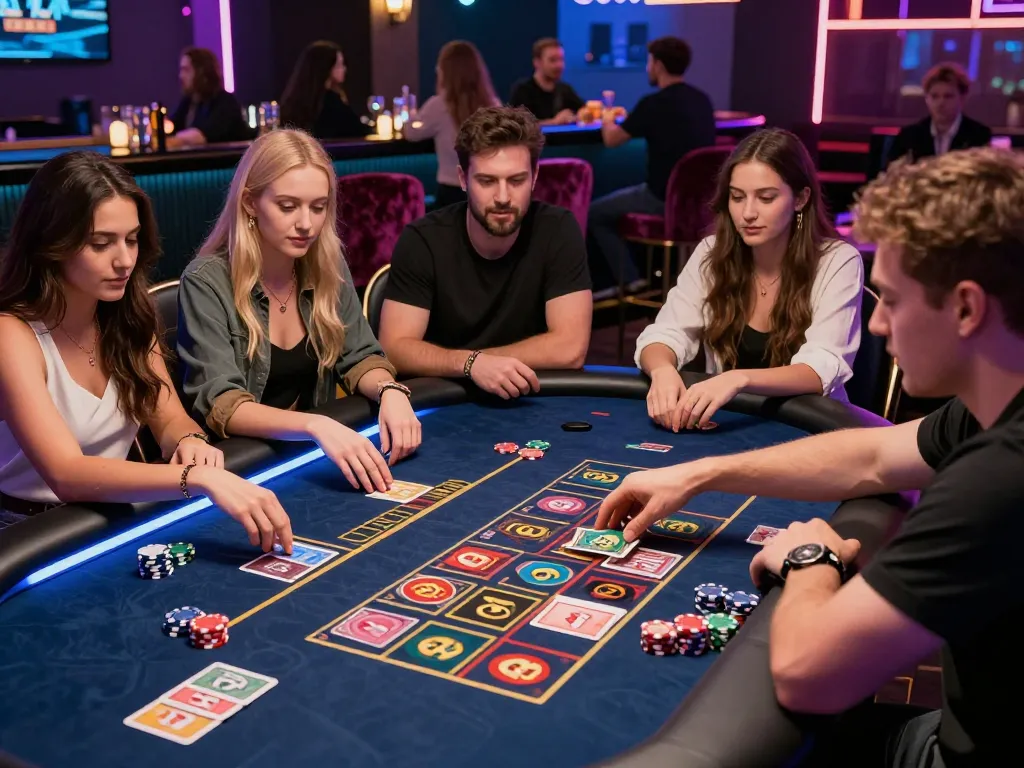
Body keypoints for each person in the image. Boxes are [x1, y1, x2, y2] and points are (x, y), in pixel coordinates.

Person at [596, 146, 1024, 768]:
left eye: (895, 301)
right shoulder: (994, 404)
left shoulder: (997, 479)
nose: (878, 329)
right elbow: (877, 453)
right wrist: (701, 473)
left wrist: (809, 555)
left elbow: (806, 672)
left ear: (965, 307)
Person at [0, 151, 292, 552]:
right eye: (101, 243)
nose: (124, 260)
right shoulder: (11, 334)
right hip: (24, 533)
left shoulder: (128, 319)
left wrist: (188, 441)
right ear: (53, 244)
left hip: (109, 516)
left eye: (132, 240)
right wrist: (199, 478)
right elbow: (65, 473)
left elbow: (169, 418)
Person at [177, 129, 420, 494]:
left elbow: (360, 356)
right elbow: (223, 404)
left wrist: (390, 391)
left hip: (306, 462)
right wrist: (315, 425)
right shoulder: (205, 281)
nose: (306, 223)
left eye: (318, 207)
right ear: (249, 203)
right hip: (236, 475)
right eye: (288, 206)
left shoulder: (325, 262)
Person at [635, 128, 863, 431]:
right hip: (732, 422)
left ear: (800, 198)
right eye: (737, 197)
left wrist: (738, 378)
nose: (748, 213)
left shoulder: (838, 261)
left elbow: (821, 367)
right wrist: (662, 370)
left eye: (766, 198)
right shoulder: (711, 253)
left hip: (811, 426)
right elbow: (665, 333)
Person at [378, 106, 592, 399]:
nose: (503, 197)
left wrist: (482, 363)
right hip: (444, 401)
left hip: (533, 399)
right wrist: (471, 365)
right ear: (463, 179)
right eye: (487, 181)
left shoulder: (558, 229)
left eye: (516, 180)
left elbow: (570, 349)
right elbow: (395, 348)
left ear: (535, 176)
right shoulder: (423, 239)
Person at [588, 36, 717, 293]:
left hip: (659, 199)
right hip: (702, 205)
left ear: (657, 65)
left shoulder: (653, 104)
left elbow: (611, 139)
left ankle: (632, 282)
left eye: (649, 62)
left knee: (594, 214)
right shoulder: (703, 101)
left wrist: (606, 117)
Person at [403, 40, 501, 209]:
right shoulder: (494, 105)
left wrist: (410, 116)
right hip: (488, 192)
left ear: (444, 72)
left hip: (451, 194)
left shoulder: (439, 105)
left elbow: (411, 132)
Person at [885, 62, 992, 168]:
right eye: (934, 96)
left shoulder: (979, 136)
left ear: (962, 98)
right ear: (926, 99)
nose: (940, 103)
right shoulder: (909, 136)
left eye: (948, 96)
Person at [279, 41, 372, 140]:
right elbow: (358, 131)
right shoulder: (332, 103)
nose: (344, 69)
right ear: (327, 68)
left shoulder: (293, 102)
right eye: (340, 65)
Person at [167, 47, 252, 147]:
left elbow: (201, 136)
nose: (181, 75)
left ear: (202, 72)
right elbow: (172, 126)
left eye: (186, 70)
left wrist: (172, 141)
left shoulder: (225, 102)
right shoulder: (188, 102)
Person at [508, 38, 585, 126]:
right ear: (537, 62)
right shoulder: (523, 90)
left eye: (561, 59)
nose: (559, 65)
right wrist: (554, 122)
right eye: (553, 60)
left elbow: (583, 109)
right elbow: (518, 126)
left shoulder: (565, 89)